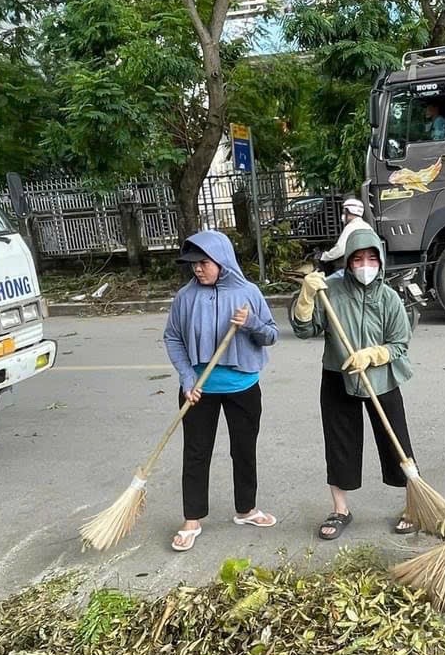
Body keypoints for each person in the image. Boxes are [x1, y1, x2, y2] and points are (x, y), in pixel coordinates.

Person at [292, 225, 418, 539]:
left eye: (370, 259)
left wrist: (374, 354)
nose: (364, 266)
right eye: (357, 259)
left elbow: (400, 343)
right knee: (339, 445)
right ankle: (340, 510)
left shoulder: (389, 298)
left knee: (397, 444)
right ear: (348, 261)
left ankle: (415, 505)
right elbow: (305, 331)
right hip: (338, 375)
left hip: (381, 379)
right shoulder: (330, 290)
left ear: (380, 261)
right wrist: (306, 299)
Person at [164, 230, 280, 552]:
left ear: (222, 261)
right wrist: (187, 378)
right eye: (193, 264)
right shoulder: (185, 298)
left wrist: (252, 323)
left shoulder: (248, 292)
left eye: (204, 263)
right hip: (198, 390)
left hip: (243, 387)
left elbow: (271, 334)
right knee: (196, 453)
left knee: (244, 449)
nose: (197, 269)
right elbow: (172, 337)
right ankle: (192, 518)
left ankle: (246, 509)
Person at [319, 198, 368, 267]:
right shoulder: (366, 226)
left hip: (354, 267)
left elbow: (340, 249)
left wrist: (323, 256)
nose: (343, 216)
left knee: (328, 278)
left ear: (350, 211)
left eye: (344, 212)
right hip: (365, 264)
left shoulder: (351, 227)